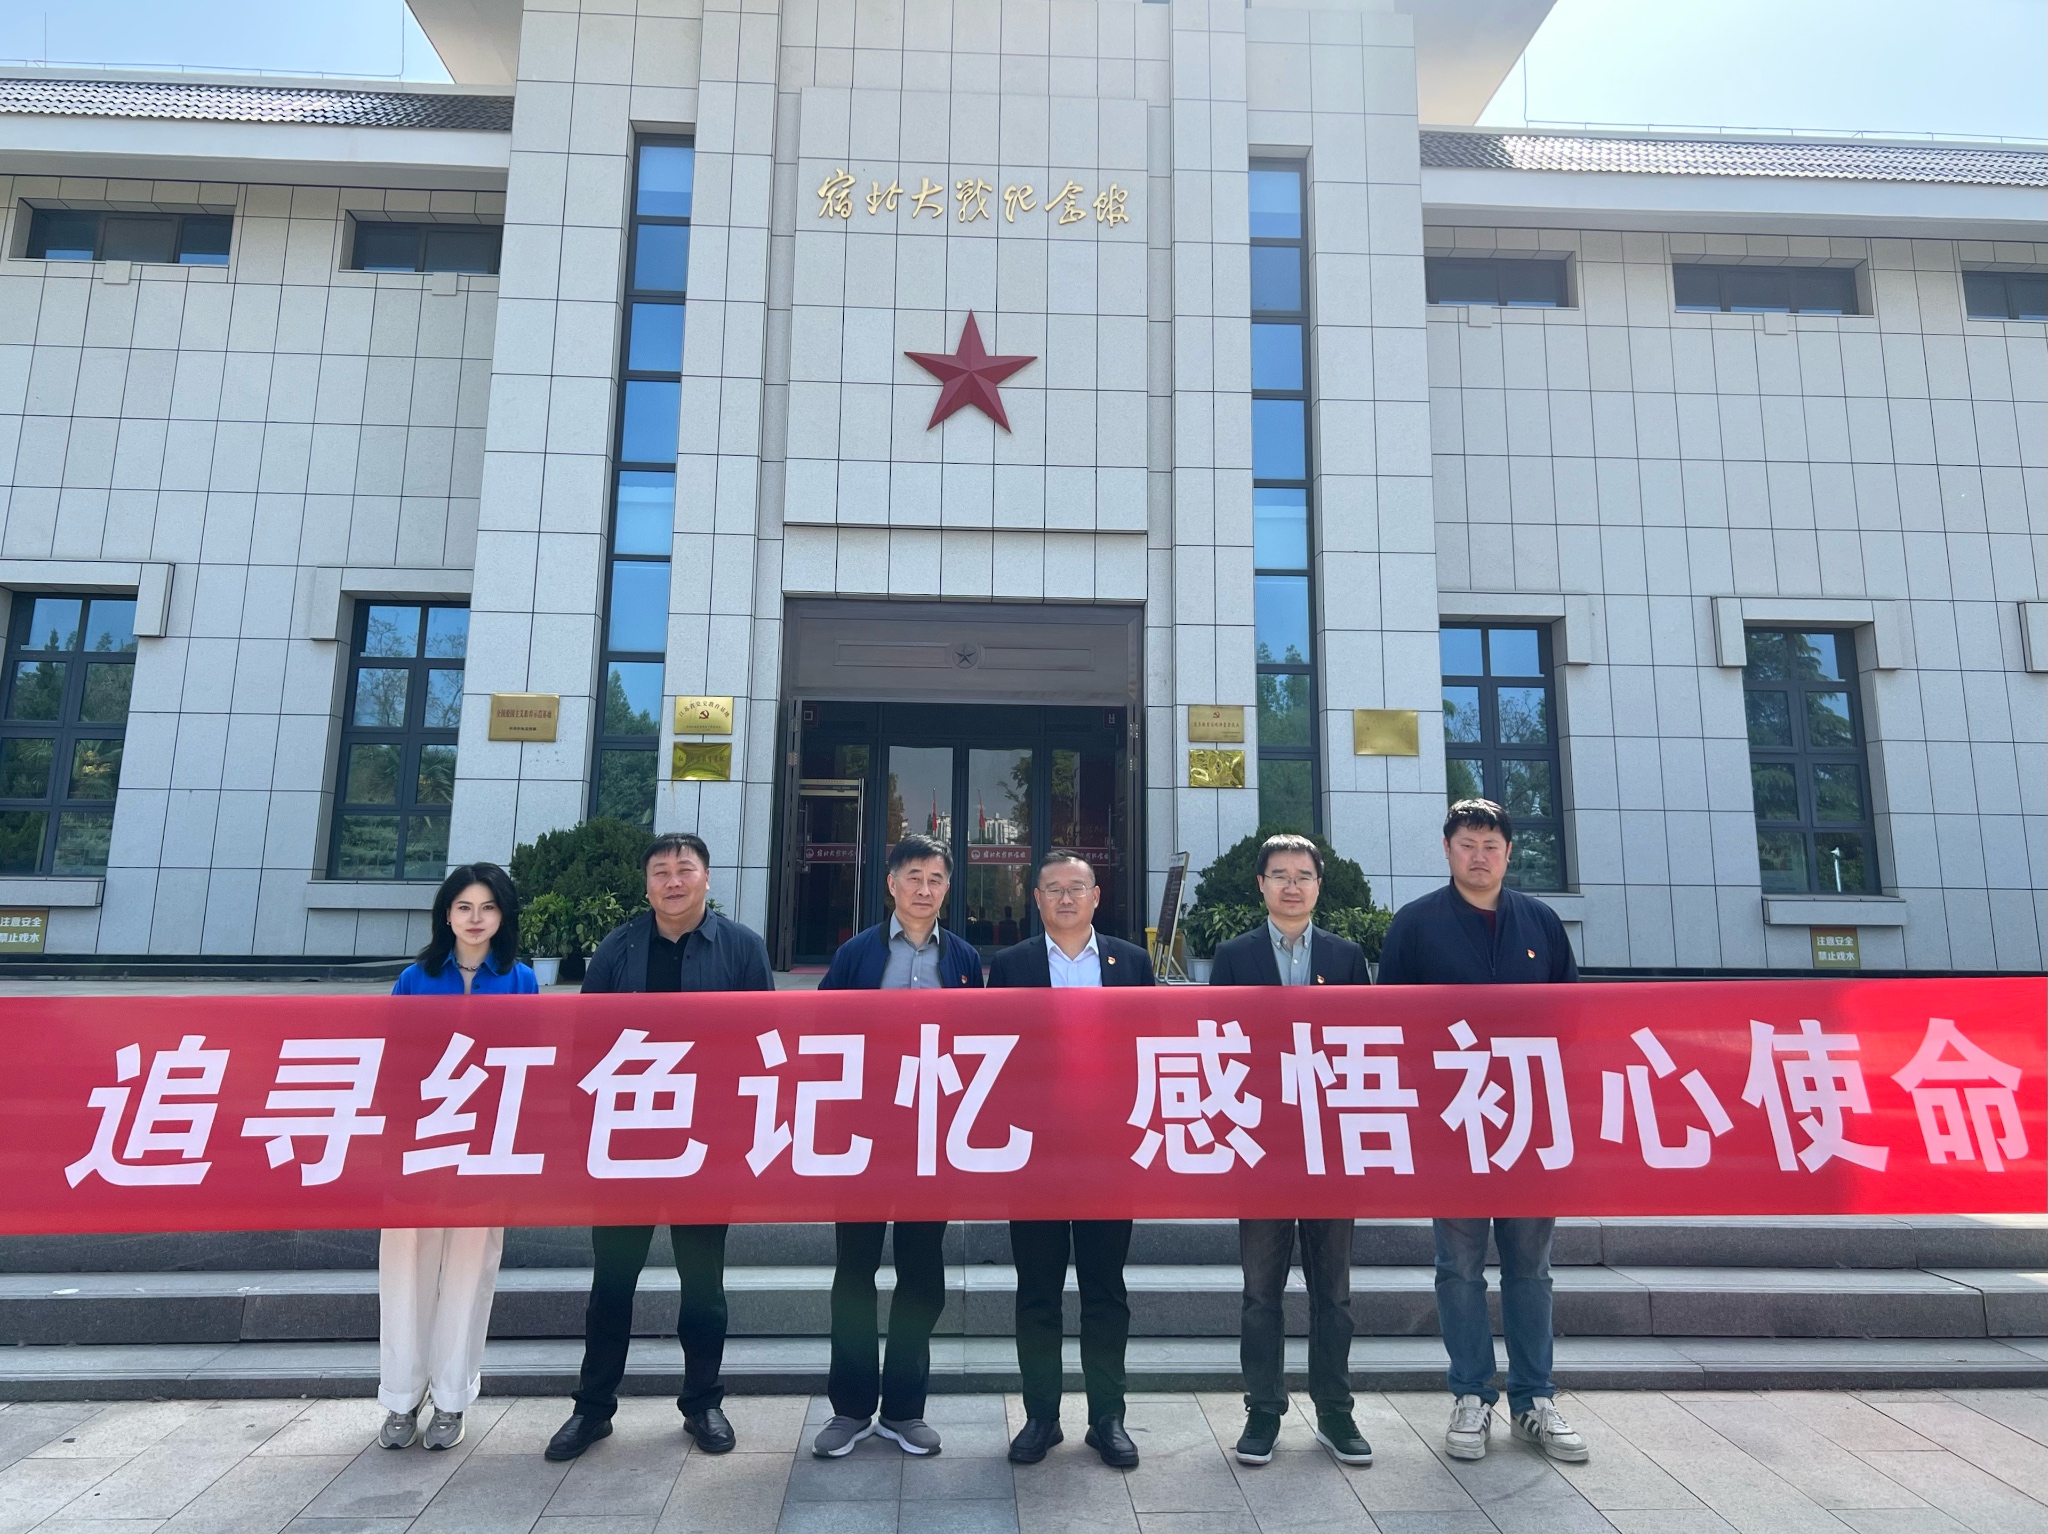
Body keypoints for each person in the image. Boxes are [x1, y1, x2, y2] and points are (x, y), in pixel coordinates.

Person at [545, 833, 774, 1463]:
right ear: (646, 884)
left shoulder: (742, 948)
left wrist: (747, 1132)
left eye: (685, 869)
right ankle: (592, 1409)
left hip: (707, 1142)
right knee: (612, 1284)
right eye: (660, 871)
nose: (673, 881)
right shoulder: (617, 948)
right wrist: (584, 1135)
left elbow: (765, 1043)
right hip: (628, 1139)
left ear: (707, 878)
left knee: (703, 1284)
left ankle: (703, 1402)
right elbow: (586, 1044)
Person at [1374, 799, 1588, 1465]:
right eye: (1467, 844)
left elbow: (1572, 1019)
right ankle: (1471, 1394)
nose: (1479, 856)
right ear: (1447, 850)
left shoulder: (1541, 923)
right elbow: (1388, 1026)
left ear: (1508, 853)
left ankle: (1534, 1399)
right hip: (1451, 1121)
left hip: (1527, 1122)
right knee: (1459, 1266)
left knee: (1530, 1266)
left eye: (1491, 845)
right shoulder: (1415, 925)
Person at [811, 833, 982, 1459]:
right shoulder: (855, 954)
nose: (924, 889)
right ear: (890, 884)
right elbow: (822, 1034)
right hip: (861, 1136)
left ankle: (906, 1410)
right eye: (913, 877)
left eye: (936, 879)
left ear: (947, 888)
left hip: (931, 1137)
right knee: (854, 1272)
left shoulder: (963, 958)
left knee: (922, 1273)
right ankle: (850, 1409)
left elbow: (979, 1042)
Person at [1207, 833, 1374, 1469]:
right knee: (1261, 1292)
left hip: (1330, 1143)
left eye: (1303, 875)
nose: (1292, 886)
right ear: (1262, 885)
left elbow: (1365, 1043)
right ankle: (1263, 1409)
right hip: (1261, 1144)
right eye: (1280, 875)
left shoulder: (1346, 956)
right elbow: (1218, 1044)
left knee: (1334, 1292)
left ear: (1319, 885)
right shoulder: (1234, 955)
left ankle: (1335, 1410)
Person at [990, 850, 1152, 1471]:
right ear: (1035, 899)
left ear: (1095, 896)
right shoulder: (1011, 966)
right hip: (1034, 1154)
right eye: (1053, 889)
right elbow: (995, 1052)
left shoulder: (1130, 963)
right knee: (1037, 1290)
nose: (1065, 898)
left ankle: (1108, 1418)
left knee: (1105, 1290)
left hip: (1109, 1153)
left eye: (1076, 888)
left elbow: (1151, 1048)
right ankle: (1041, 1417)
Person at [379, 862, 539, 1452]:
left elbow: (530, 1062)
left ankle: (451, 1400)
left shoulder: (520, 980)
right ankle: (400, 1399)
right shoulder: (414, 979)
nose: (476, 919)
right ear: (446, 915)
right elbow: (392, 1059)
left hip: (486, 1144)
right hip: (418, 1142)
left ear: (504, 916)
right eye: (465, 907)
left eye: (488, 907)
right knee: (405, 1270)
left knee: (471, 1273)